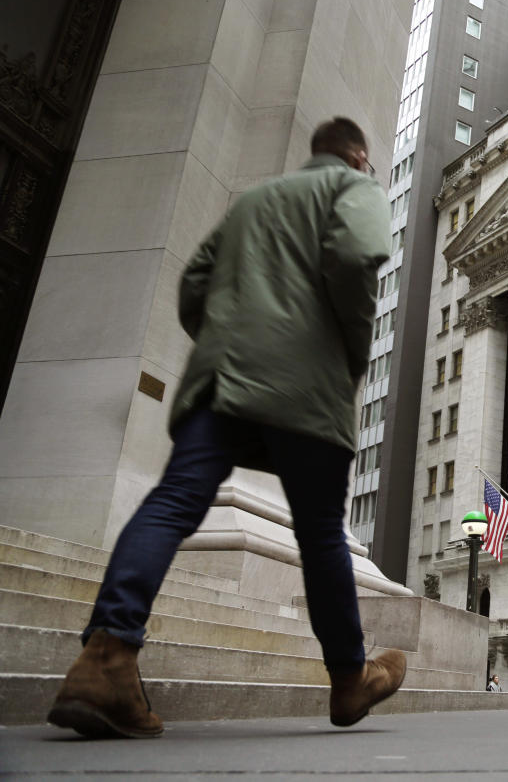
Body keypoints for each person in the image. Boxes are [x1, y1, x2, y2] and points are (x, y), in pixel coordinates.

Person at [45, 117, 405, 739]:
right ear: (355, 156)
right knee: (320, 532)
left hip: (222, 381)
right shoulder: (355, 189)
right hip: (307, 386)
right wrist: (350, 346)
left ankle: (106, 656)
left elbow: (192, 285)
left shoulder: (255, 202)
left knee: (174, 501)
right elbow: (352, 256)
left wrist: (224, 339)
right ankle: (349, 680)